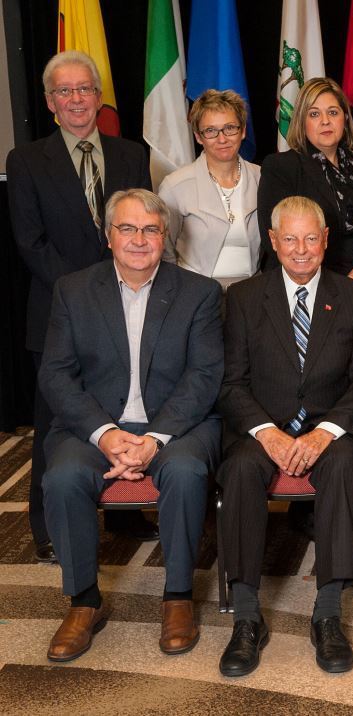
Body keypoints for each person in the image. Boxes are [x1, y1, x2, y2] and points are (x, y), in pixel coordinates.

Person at [38, 189, 223, 662]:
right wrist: (106, 434)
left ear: (165, 237)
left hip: (175, 425)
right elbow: (56, 373)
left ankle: (178, 597)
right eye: (127, 228)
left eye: (150, 229)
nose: (139, 239)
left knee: (184, 473)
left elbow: (204, 376)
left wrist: (153, 439)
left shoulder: (200, 292)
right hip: (96, 425)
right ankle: (83, 601)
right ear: (108, 236)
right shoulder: (73, 290)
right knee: (61, 478)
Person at [216, 196, 353, 677]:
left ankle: (327, 612)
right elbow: (231, 383)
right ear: (273, 242)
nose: (302, 249)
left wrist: (323, 434)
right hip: (262, 426)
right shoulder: (244, 298)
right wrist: (267, 434)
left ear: (326, 239)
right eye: (290, 239)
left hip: (331, 427)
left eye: (312, 238)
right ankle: (247, 616)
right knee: (243, 467)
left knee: (345, 465)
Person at [6, 50, 154, 563]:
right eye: (64, 91)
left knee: (123, 406)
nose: (76, 99)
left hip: (128, 308)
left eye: (84, 88)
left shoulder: (132, 154)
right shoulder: (25, 160)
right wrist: (85, 292)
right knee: (54, 421)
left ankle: (126, 510)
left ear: (98, 96)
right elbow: (30, 241)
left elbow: (143, 233)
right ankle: (47, 527)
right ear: (50, 102)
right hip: (56, 310)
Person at [258, 77, 353, 283]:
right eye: (314, 114)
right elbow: (275, 238)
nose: (325, 121)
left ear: (345, 118)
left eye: (333, 112)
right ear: (301, 121)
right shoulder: (281, 167)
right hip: (302, 284)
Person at [159, 89, 261, 289]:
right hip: (195, 292)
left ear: (243, 131)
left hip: (253, 291)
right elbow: (164, 249)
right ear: (198, 136)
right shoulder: (175, 186)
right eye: (211, 131)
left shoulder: (263, 178)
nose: (222, 139)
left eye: (230, 128)